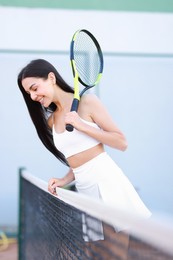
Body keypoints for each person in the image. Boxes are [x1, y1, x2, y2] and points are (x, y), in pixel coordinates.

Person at [17, 59, 151, 258]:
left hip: (108, 185)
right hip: (84, 190)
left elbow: (121, 142)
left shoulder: (88, 102)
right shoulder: (52, 120)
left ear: (51, 78)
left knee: (115, 255)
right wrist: (64, 180)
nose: (33, 96)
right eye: (29, 93)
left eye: (34, 88)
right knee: (94, 255)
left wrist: (82, 125)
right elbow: (79, 157)